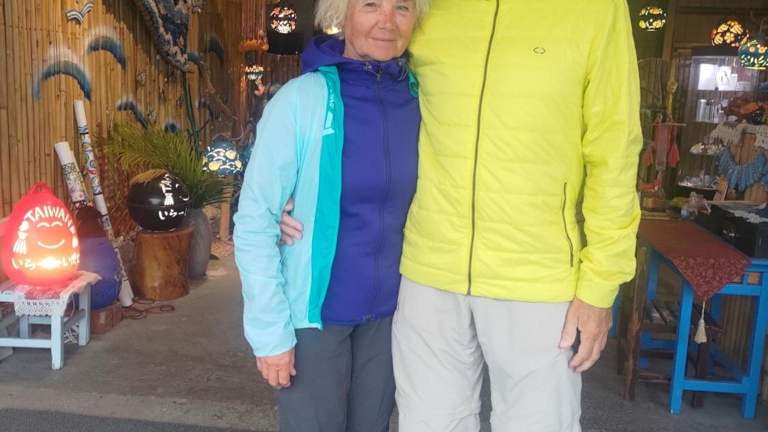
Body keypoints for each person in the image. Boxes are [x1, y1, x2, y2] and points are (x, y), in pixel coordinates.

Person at [281, 0, 642, 430]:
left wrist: (601, 286)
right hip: (429, 274)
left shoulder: (595, 10)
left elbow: (615, 149)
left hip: (537, 277)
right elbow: (364, 78)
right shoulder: (426, 4)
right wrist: (298, 185)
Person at [233, 0, 428, 431]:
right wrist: (269, 333)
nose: (387, 21)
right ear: (342, 14)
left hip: (393, 316)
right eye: (370, 4)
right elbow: (255, 219)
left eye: (402, 7)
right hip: (316, 317)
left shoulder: (422, 99)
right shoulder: (301, 99)